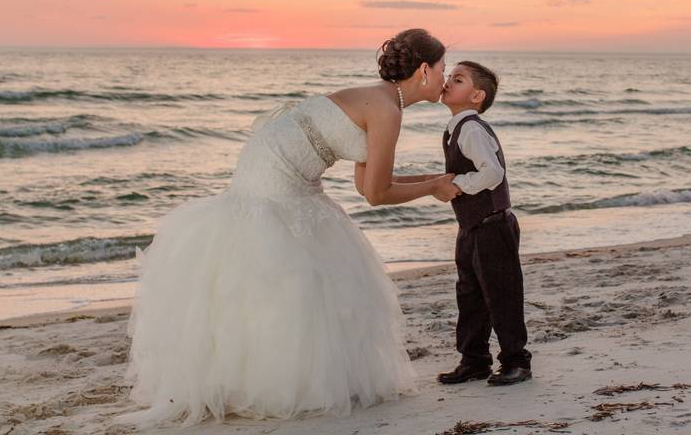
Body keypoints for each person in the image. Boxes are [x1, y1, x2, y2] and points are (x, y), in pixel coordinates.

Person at [119, 29, 461, 426]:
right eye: (442, 69)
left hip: (275, 172)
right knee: (292, 277)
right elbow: (377, 195)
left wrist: (436, 179)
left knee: (308, 269)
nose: (444, 77)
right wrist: (434, 187)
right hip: (273, 185)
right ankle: (274, 383)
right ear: (423, 69)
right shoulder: (387, 110)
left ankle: (259, 376)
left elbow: (367, 184)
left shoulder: (381, 99)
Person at [435, 61, 532, 386]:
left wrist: (459, 184)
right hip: (472, 225)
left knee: (502, 294)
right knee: (470, 294)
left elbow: (492, 173)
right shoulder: (456, 128)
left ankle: (517, 361)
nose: (448, 82)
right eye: (449, 77)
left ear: (476, 96)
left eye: (457, 79)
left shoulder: (472, 129)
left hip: (493, 225)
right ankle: (474, 361)